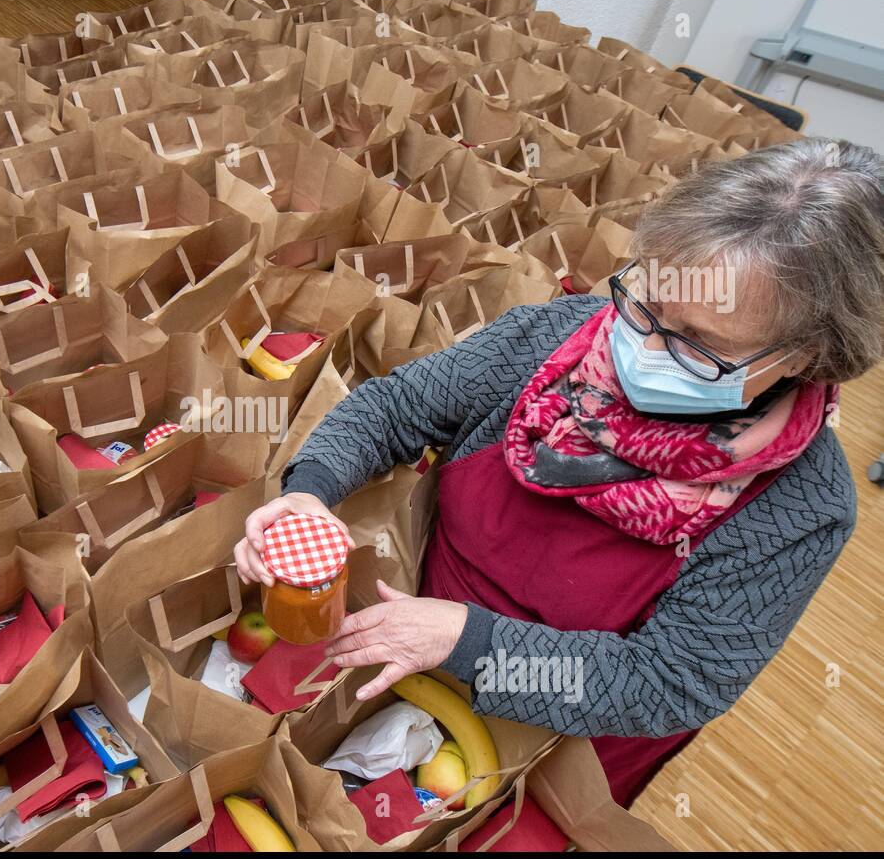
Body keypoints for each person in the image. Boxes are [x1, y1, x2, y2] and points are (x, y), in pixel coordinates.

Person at [234, 137, 884, 806]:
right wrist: (309, 492)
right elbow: (397, 407)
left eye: (700, 347)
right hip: (408, 630)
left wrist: (467, 639)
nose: (644, 350)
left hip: (563, 734)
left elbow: (671, 682)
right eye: (645, 304)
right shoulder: (553, 340)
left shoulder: (802, 505)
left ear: (810, 355)